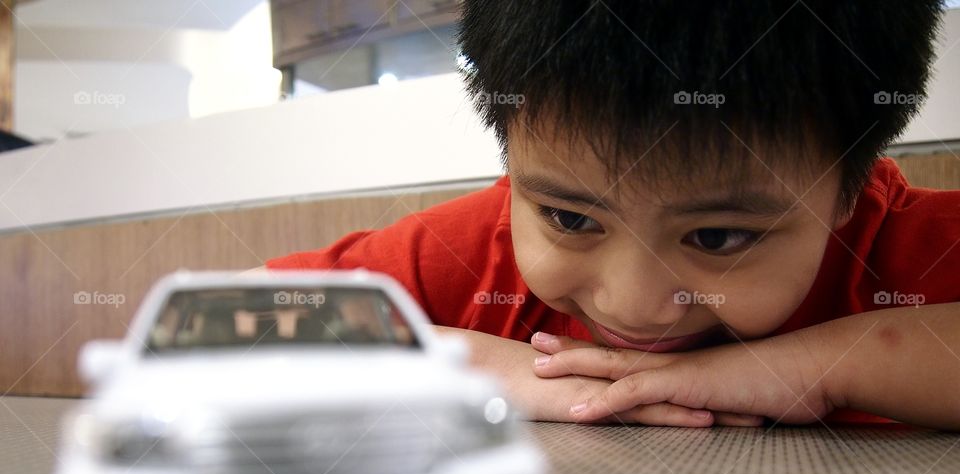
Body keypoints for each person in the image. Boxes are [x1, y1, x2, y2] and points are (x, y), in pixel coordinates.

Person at [264, 0, 960, 430]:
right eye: (570, 221)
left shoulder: (913, 250)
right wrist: (466, 364)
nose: (634, 307)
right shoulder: (473, 251)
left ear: (847, 189)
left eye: (717, 237)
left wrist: (833, 365)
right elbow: (230, 326)